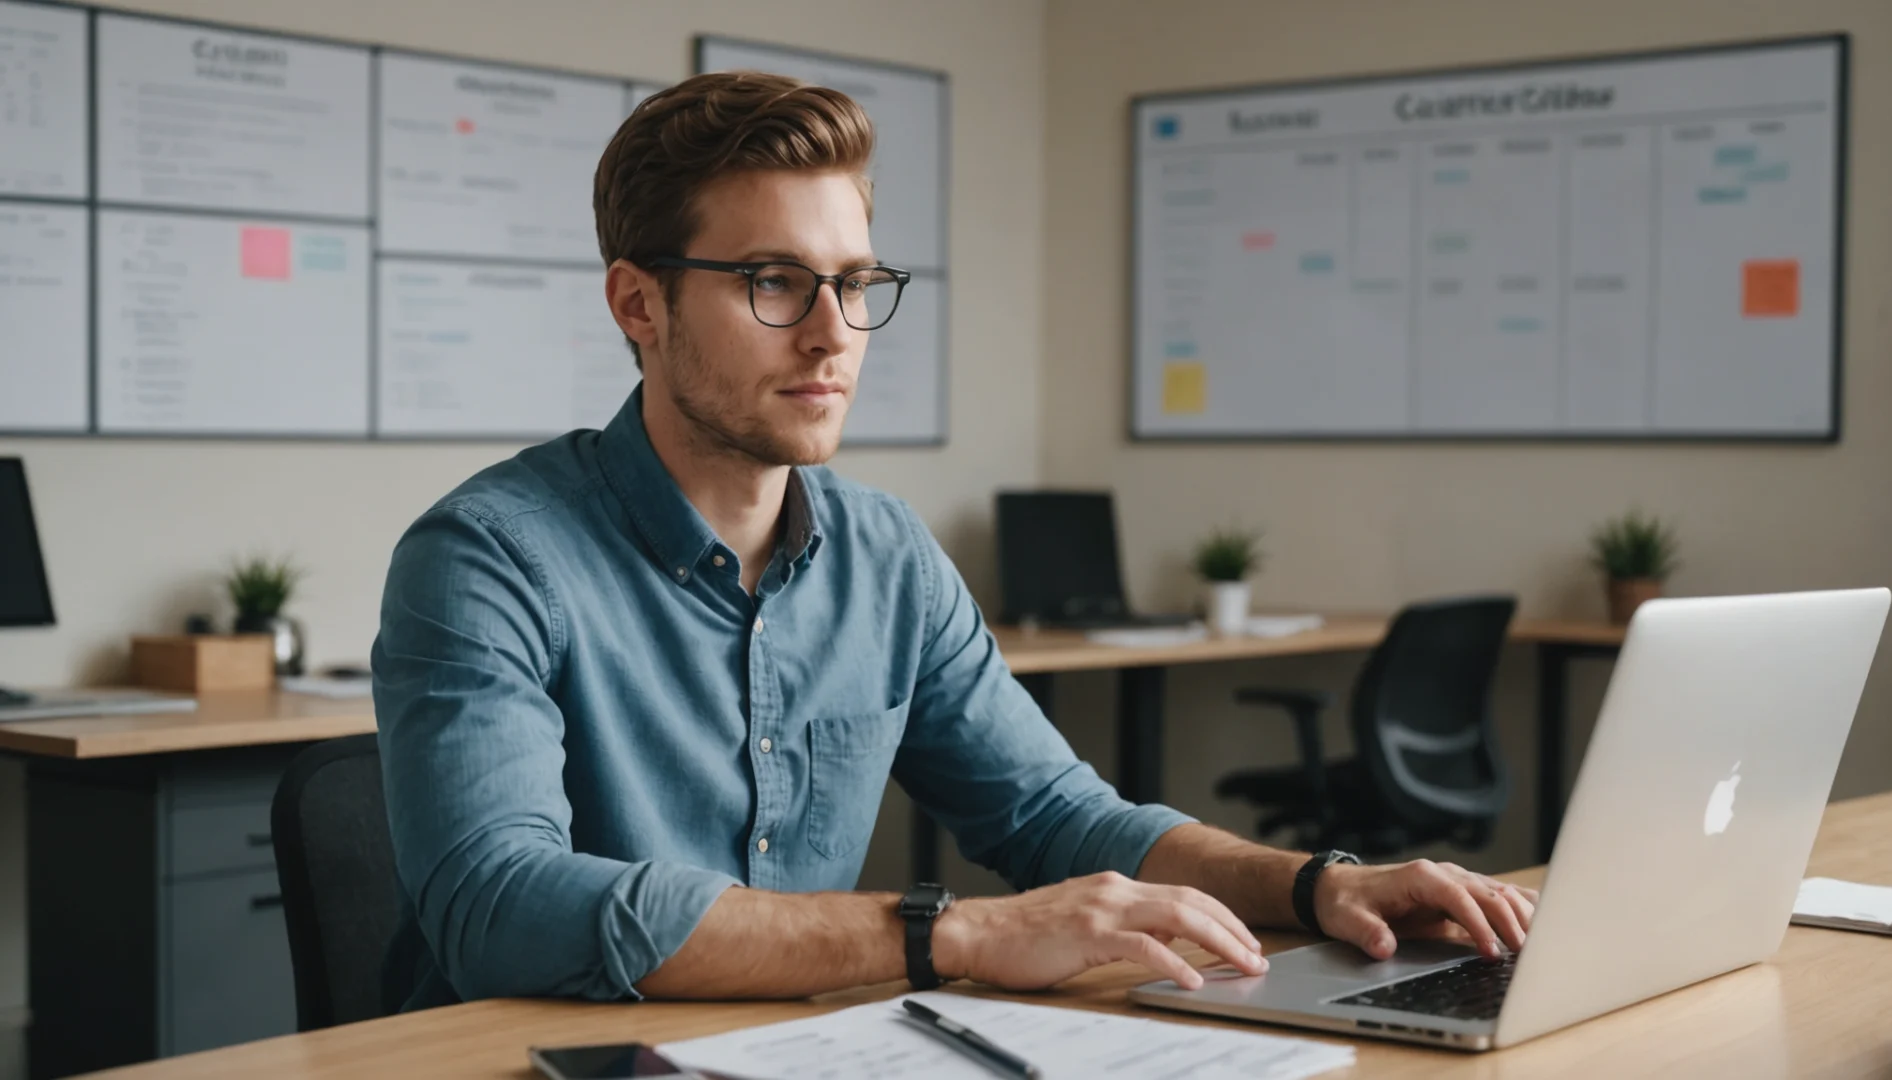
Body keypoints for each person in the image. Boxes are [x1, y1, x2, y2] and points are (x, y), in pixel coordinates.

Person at [372, 70, 1536, 1010]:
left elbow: (1054, 817)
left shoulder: (883, 555)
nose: (831, 334)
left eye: (853, 283)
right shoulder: (487, 556)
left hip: (789, 1047)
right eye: (773, 282)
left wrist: (1318, 884)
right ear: (638, 303)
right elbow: (499, 905)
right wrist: (957, 932)